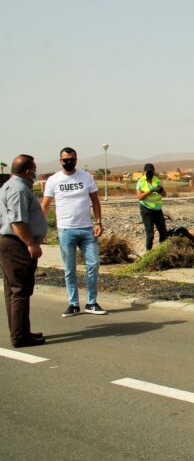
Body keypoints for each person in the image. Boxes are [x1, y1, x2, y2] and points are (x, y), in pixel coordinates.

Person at [41, 147, 107, 317]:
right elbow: (45, 205)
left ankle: (91, 303)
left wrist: (98, 222)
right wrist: (41, 229)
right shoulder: (53, 180)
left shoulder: (86, 177)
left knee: (93, 265)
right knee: (69, 268)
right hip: (65, 230)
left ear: (76, 160)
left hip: (87, 229)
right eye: (66, 160)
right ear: (60, 161)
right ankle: (73, 304)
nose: (69, 162)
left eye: (72, 159)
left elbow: (95, 201)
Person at [0, 155, 47, 347]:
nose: (35, 173)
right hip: (16, 244)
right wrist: (31, 243)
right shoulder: (18, 189)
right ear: (28, 171)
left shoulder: (9, 185)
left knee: (13, 291)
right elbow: (17, 221)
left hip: (10, 242)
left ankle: (21, 331)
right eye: (34, 169)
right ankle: (20, 337)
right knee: (20, 290)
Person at [136, 163, 168, 251]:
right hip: (146, 210)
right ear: (144, 172)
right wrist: (151, 191)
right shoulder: (141, 182)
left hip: (157, 210)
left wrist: (161, 190)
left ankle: (163, 251)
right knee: (150, 234)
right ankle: (148, 253)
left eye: (151, 171)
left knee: (163, 232)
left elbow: (165, 195)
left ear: (154, 171)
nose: (150, 173)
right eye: (148, 171)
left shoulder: (156, 180)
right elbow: (139, 197)